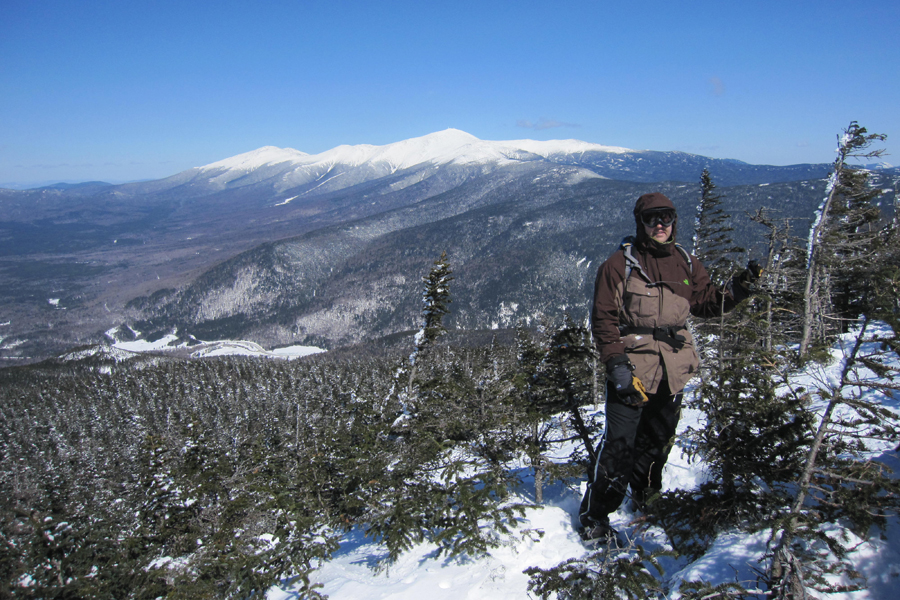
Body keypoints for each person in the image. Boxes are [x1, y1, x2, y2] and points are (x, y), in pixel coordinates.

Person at [578, 191, 760, 544]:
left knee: (656, 442)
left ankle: (646, 497)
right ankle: (595, 515)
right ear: (640, 223)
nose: (660, 225)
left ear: (675, 222)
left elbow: (707, 304)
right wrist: (616, 365)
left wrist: (740, 288)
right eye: (652, 219)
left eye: (666, 218)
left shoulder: (687, 264)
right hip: (632, 368)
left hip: (673, 369)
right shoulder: (619, 266)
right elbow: (603, 319)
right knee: (618, 447)